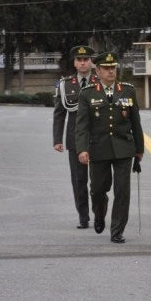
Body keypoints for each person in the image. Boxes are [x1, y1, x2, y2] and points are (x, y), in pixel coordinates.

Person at [75, 51, 144, 244]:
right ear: (97, 70)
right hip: (98, 149)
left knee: (122, 191)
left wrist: (139, 149)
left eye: (113, 68)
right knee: (97, 189)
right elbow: (82, 125)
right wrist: (82, 149)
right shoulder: (87, 93)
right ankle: (99, 213)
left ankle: (117, 230)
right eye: (106, 68)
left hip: (124, 148)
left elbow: (135, 121)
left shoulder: (128, 90)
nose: (111, 72)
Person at [53, 45, 98, 229]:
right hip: (74, 140)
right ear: (74, 63)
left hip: (98, 138)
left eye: (86, 59)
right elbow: (59, 113)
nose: (83, 63)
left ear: (91, 62)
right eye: (79, 60)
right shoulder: (66, 84)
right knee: (79, 181)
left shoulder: (99, 81)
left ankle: (99, 213)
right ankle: (83, 216)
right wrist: (57, 139)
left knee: (98, 182)